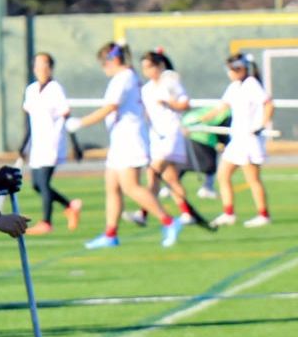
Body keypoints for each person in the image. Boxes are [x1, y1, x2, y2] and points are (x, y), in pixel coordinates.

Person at [67, 42, 183, 249]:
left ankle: (169, 221)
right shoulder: (127, 77)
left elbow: (111, 107)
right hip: (120, 140)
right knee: (112, 185)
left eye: (104, 63)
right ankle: (110, 234)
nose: (104, 68)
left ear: (113, 60)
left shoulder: (123, 78)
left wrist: (80, 123)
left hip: (129, 140)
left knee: (130, 186)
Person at [200, 53, 273, 228]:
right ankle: (229, 213)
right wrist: (202, 119)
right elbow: (222, 106)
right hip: (237, 140)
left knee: (252, 179)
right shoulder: (234, 87)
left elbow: (269, 104)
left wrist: (261, 124)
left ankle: (264, 215)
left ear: (240, 69)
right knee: (223, 175)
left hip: (249, 140)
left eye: (231, 69)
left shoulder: (251, 84)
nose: (229, 73)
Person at [135, 48, 204, 229]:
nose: (147, 71)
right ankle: (187, 213)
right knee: (171, 178)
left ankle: (143, 213)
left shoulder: (170, 83)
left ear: (159, 66)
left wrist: (169, 103)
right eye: (144, 68)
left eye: (150, 66)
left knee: (153, 171)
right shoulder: (146, 89)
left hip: (171, 133)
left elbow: (185, 104)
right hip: (156, 136)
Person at [21, 52, 81, 234]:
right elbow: (30, 121)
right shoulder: (31, 90)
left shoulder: (56, 89)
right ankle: (70, 205)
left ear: (51, 68)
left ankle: (46, 222)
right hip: (37, 144)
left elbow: (66, 116)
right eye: (37, 65)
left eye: (44, 65)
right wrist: (23, 145)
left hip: (53, 142)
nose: (41, 69)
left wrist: (75, 145)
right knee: (36, 185)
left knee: (44, 182)